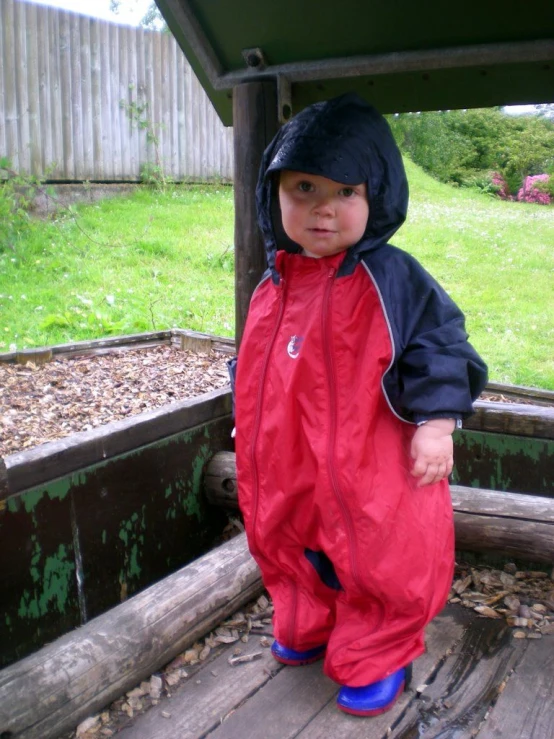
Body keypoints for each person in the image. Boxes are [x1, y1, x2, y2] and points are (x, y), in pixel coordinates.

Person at [230, 93, 488, 717]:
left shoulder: (392, 279)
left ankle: (377, 650)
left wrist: (436, 423)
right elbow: (259, 367)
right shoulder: (275, 281)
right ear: (275, 195)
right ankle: (305, 620)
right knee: (283, 534)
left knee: (380, 551)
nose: (324, 207)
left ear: (378, 197)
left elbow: (443, 348)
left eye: (347, 191)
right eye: (305, 187)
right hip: (290, 459)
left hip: (369, 461)